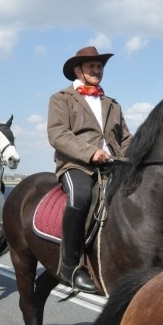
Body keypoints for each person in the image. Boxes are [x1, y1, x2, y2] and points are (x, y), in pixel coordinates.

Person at [47, 46, 132, 293]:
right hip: (77, 164)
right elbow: (58, 134)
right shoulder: (61, 98)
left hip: (113, 164)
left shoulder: (112, 104)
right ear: (78, 70)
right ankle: (70, 266)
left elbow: (125, 138)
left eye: (100, 66)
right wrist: (89, 152)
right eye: (91, 66)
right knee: (81, 197)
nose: (97, 70)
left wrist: (136, 156)